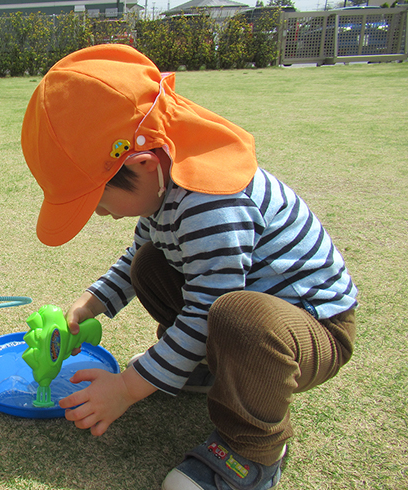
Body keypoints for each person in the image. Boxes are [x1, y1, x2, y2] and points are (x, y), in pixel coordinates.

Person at [20, 44, 356, 490]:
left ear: (141, 165)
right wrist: (86, 306)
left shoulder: (210, 201)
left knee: (237, 317)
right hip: (240, 314)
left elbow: (208, 309)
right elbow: (131, 264)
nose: (101, 214)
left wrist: (126, 388)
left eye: (99, 202)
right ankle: (205, 368)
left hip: (308, 330)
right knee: (149, 263)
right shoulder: (163, 187)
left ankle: (254, 451)